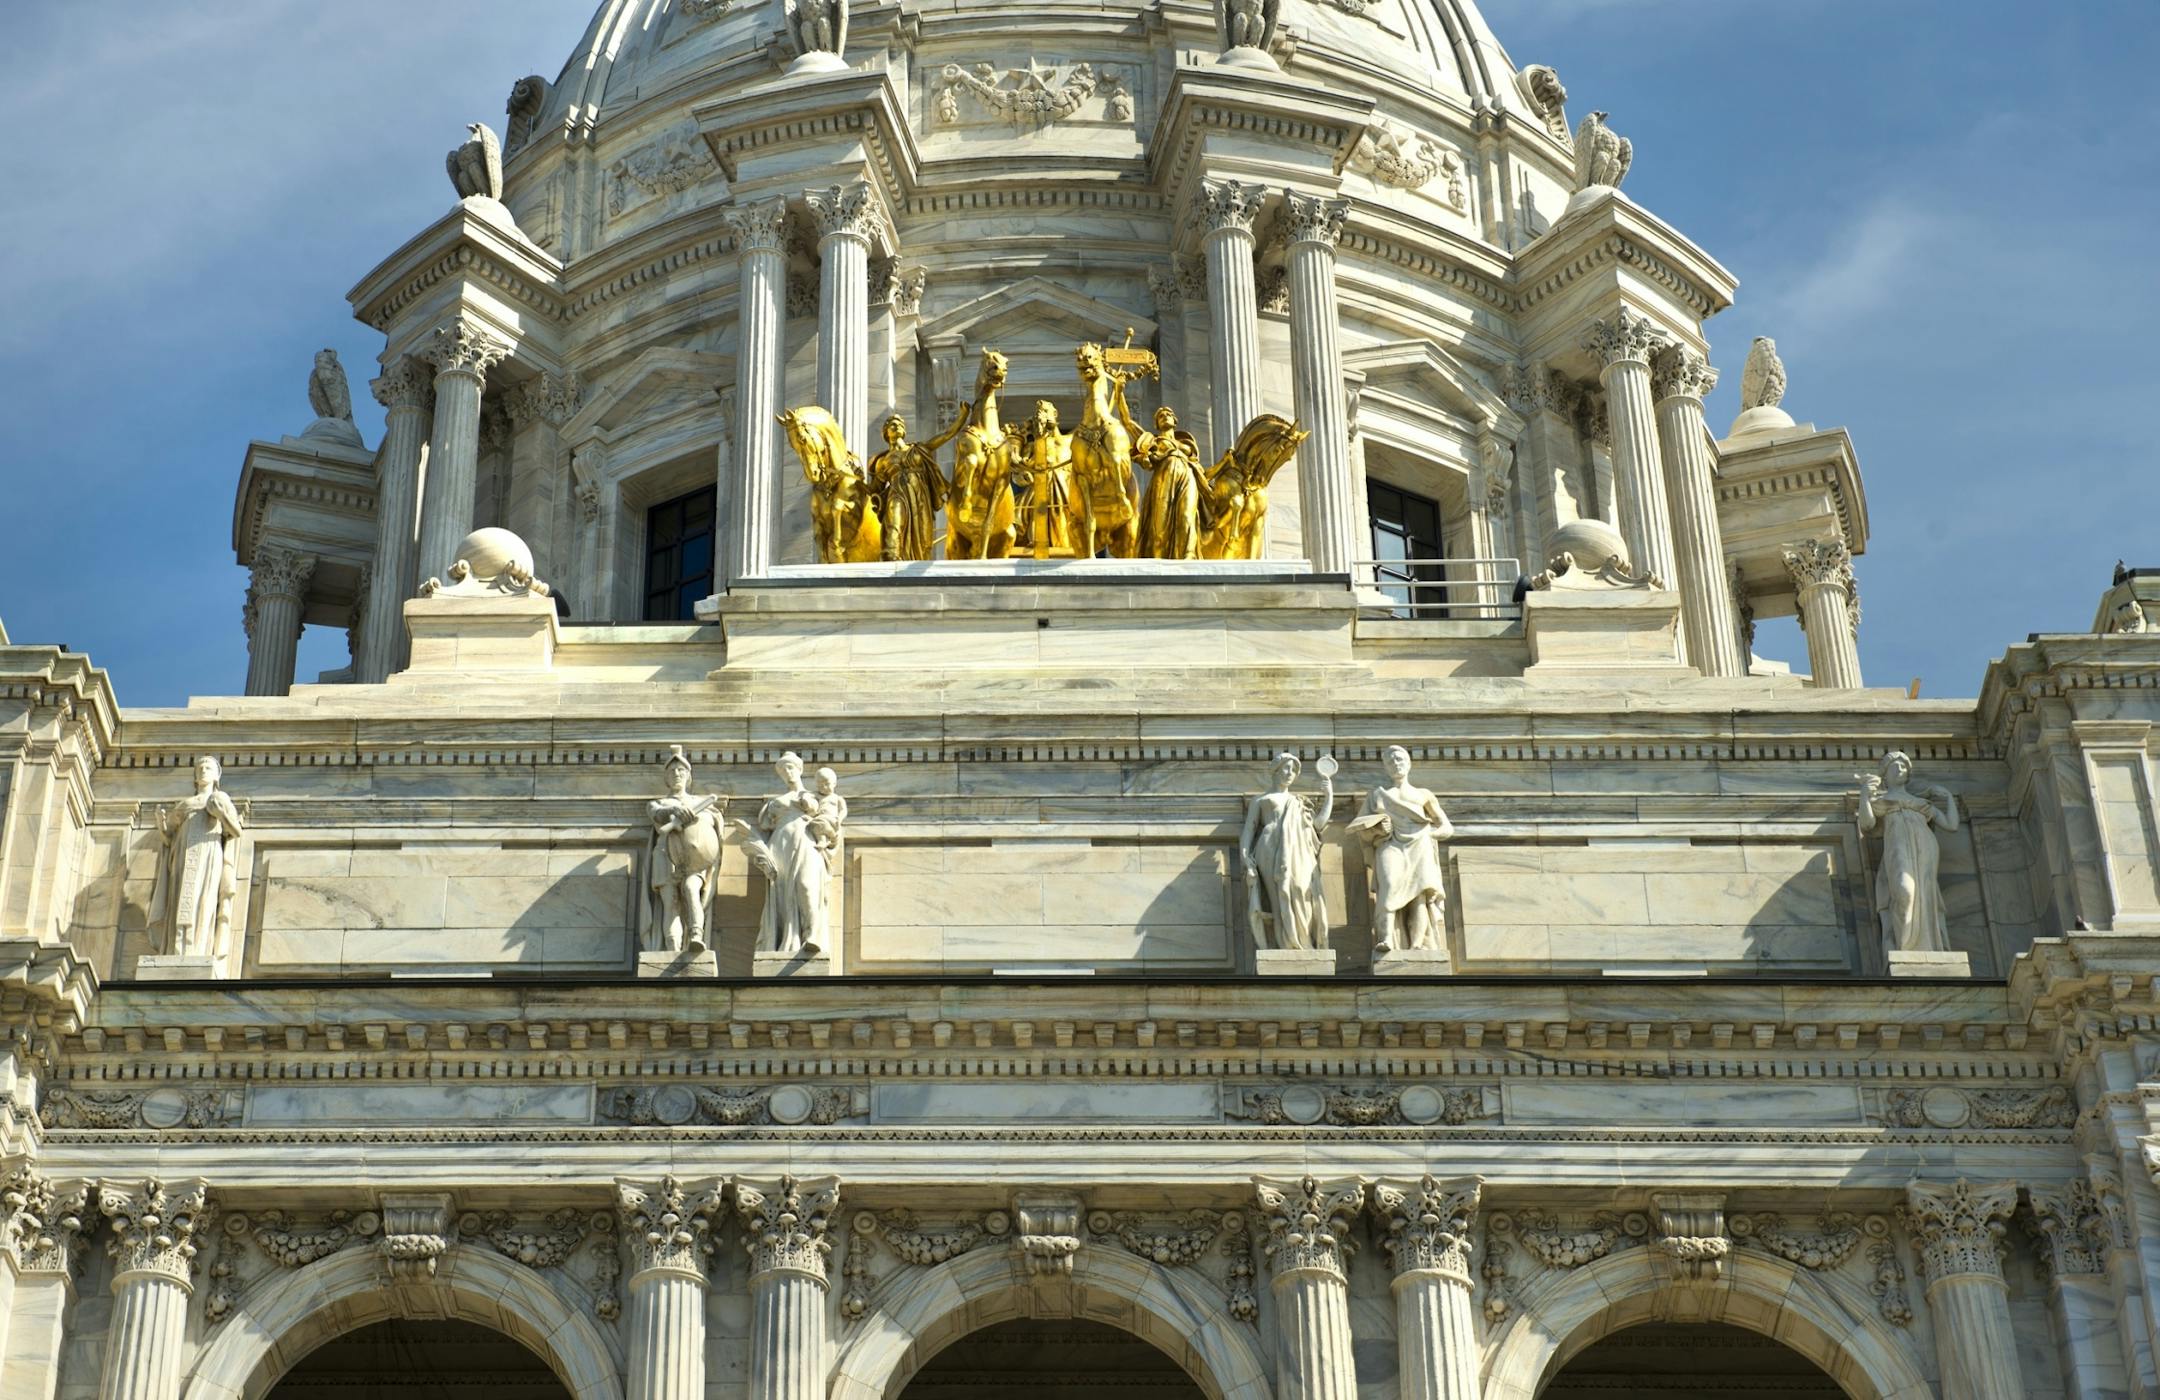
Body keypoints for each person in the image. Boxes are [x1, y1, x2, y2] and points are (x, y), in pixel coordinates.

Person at [1347, 745, 1454, 953]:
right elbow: (1359, 829)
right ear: (1386, 768)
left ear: (1408, 764)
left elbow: (1446, 827)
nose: (1396, 764)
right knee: (1388, 887)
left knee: (1419, 896)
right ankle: (1386, 938)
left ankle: (1416, 944)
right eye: (1391, 761)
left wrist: (1429, 834)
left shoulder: (1423, 795)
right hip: (1390, 845)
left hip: (1420, 846)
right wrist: (1379, 829)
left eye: (1400, 760)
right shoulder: (1377, 795)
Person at [1855, 751, 1960, 954]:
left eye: (1905, 767)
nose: (1902, 769)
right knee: (1905, 891)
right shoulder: (1883, 803)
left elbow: (1951, 824)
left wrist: (1947, 797)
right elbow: (1867, 825)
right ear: (1885, 774)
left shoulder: (1920, 803)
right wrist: (1865, 796)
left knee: (1926, 894)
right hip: (1898, 849)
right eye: (1897, 765)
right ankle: (1904, 948)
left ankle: (1928, 949)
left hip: (1926, 850)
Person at [150, 756, 245, 961]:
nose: (203, 770)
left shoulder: (220, 799)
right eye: (200, 767)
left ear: (217, 775)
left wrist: (221, 814)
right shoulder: (185, 805)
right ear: (194, 776)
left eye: (208, 767)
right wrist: (161, 824)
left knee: (203, 900)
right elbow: (169, 837)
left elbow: (235, 831)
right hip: (183, 854)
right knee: (179, 899)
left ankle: (198, 949)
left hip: (208, 853)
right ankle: (175, 950)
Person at [739, 752, 831, 955]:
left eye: (790, 768)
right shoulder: (775, 802)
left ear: (799, 769)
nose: (787, 773)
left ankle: (812, 935)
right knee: (781, 895)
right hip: (780, 844)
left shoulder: (811, 796)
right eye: (783, 770)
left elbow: (826, 815)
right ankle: (786, 940)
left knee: (807, 886)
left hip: (806, 841)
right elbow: (766, 823)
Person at [1241, 753, 1335, 950]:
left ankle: (1305, 943)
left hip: (1299, 850)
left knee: (1303, 889)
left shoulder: (1299, 802)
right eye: (1286, 768)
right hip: (1269, 847)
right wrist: (1246, 860)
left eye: (1294, 770)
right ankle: (1287, 946)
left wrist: (1329, 797)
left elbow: (1318, 825)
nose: (1290, 773)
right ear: (1275, 770)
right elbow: (1249, 830)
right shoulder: (1262, 800)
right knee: (1279, 898)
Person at [646, 747, 725, 954]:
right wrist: (674, 811)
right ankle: (672, 948)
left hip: (695, 860)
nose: (677, 775)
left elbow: (712, 822)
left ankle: (696, 936)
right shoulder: (659, 802)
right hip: (665, 856)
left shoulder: (700, 803)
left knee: (691, 890)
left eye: (681, 771)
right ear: (666, 779)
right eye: (672, 772)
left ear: (689, 777)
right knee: (670, 903)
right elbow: (657, 813)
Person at [867, 413, 961, 562]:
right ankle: (891, 560)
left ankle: (916, 568)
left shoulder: (918, 449)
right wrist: (854, 480)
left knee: (924, 538)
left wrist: (963, 415)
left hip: (920, 498)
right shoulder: (883, 461)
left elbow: (946, 435)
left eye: (900, 423)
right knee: (894, 524)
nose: (897, 425)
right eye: (892, 424)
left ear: (904, 431)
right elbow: (874, 488)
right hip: (897, 494)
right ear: (886, 433)